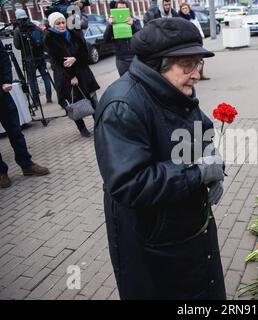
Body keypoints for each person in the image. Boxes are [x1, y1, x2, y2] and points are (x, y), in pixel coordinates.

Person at [94, 17, 226, 300]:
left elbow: (199, 126)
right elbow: (130, 182)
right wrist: (198, 171)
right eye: (188, 65)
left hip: (186, 225)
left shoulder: (174, 86)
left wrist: (210, 155)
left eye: (198, 63)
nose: (196, 74)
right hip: (152, 241)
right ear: (159, 64)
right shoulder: (123, 106)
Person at [0, 40, 49, 188]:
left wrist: (6, 81)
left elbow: (3, 58)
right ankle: (1, 172)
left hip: (2, 93)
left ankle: (26, 164)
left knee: (15, 131)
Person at [44, 12, 100, 138]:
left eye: (63, 22)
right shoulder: (50, 39)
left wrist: (75, 58)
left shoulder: (74, 34)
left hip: (84, 73)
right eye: (58, 23)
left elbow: (85, 53)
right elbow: (59, 61)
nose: (62, 25)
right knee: (74, 103)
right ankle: (82, 129)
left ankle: (100, 123)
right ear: (53, 25)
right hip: (66, 77)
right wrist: (72, 76)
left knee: (93, 99)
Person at [13, 9, 53, 105]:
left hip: (29, 59)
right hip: (40, 56)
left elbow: (17, 46)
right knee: (45, 76)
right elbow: (42, 40)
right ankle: (49, 97)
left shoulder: (18, 30)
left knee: (31, 80)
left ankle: (36, 101)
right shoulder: (35, 26)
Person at [104, 0, 142, 76]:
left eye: (123, 8)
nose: (121, 11)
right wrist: (110, 25)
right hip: (121, 60)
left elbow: (141, 37)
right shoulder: (112, 23)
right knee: (126, 82)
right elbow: (106, 39)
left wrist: (132, 25)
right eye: (119, 8)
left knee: (139, 80)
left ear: (128, 10)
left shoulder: (135, 21)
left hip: (135, 57)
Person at [178, 2, 210, 80]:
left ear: (189, 9)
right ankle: (190, 76)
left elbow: (198, 26)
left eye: (186, 8)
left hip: (197, 39)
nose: (185, 10)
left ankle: (201, 74)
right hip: (188, 41)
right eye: (183, 8)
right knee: (190, 58)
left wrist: (202, 35)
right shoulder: (180, 19)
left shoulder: (193, 16)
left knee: (200, 58)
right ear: (181, 10)